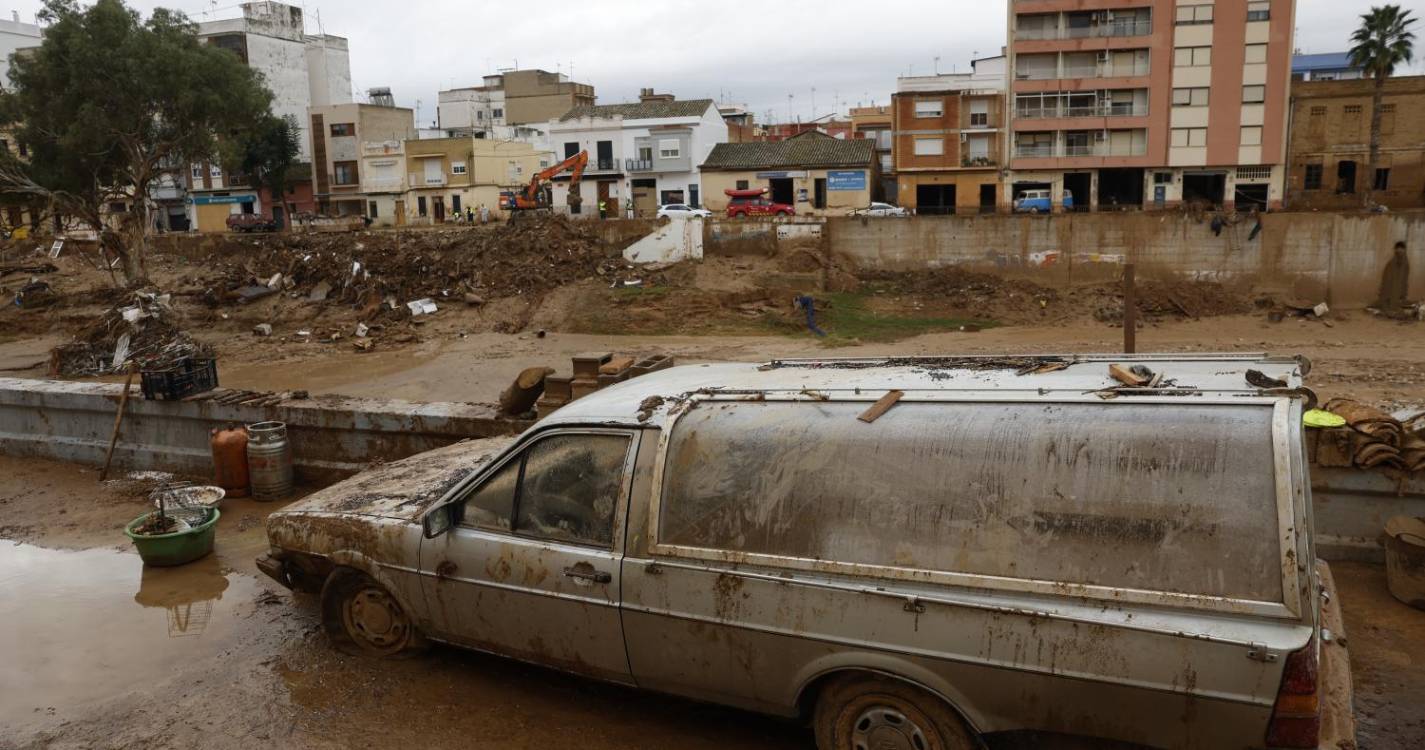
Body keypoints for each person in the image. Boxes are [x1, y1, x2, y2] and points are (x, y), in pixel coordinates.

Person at [1378, 241, 1410, 313]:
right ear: (1395, 251)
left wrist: (1404, 293)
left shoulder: (1406, 264)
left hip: (1399, 292)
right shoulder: (1391, 264)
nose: (1400, 253)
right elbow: (1386, 280)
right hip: (1390, 292)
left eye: (1402, 250)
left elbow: (1405, 280)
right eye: (1398, 251)